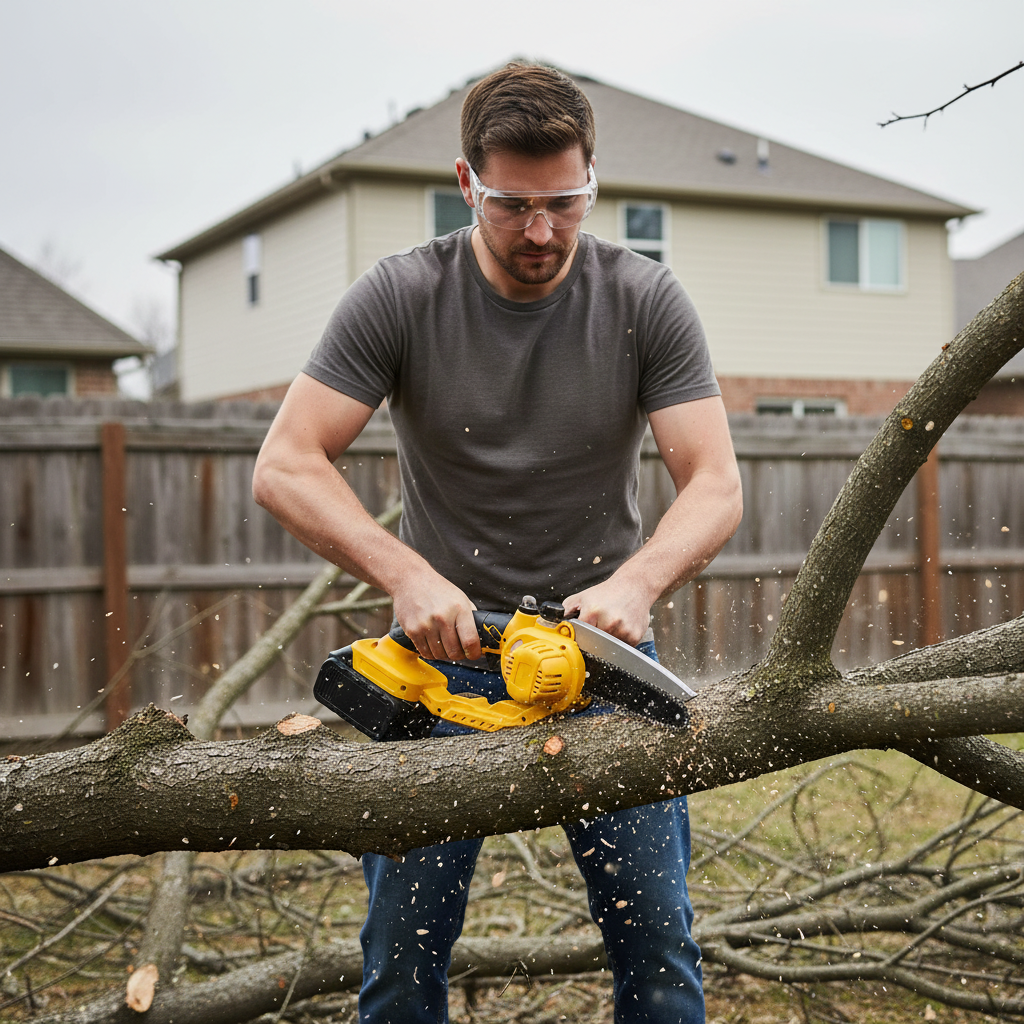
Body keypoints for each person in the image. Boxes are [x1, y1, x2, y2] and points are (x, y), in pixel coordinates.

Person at [253, 62, 742, 1024]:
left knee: (658, 944)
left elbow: (716, 484)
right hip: (445, 664)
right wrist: (404, 574)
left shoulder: (644, 299)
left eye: (564, 202)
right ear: (469, 183)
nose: (541, 232)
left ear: (591, 179)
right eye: (513, 205)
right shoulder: (399, 296)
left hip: (603, 662)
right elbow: (286, 462)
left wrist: (636, 585)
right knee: (402, 955)